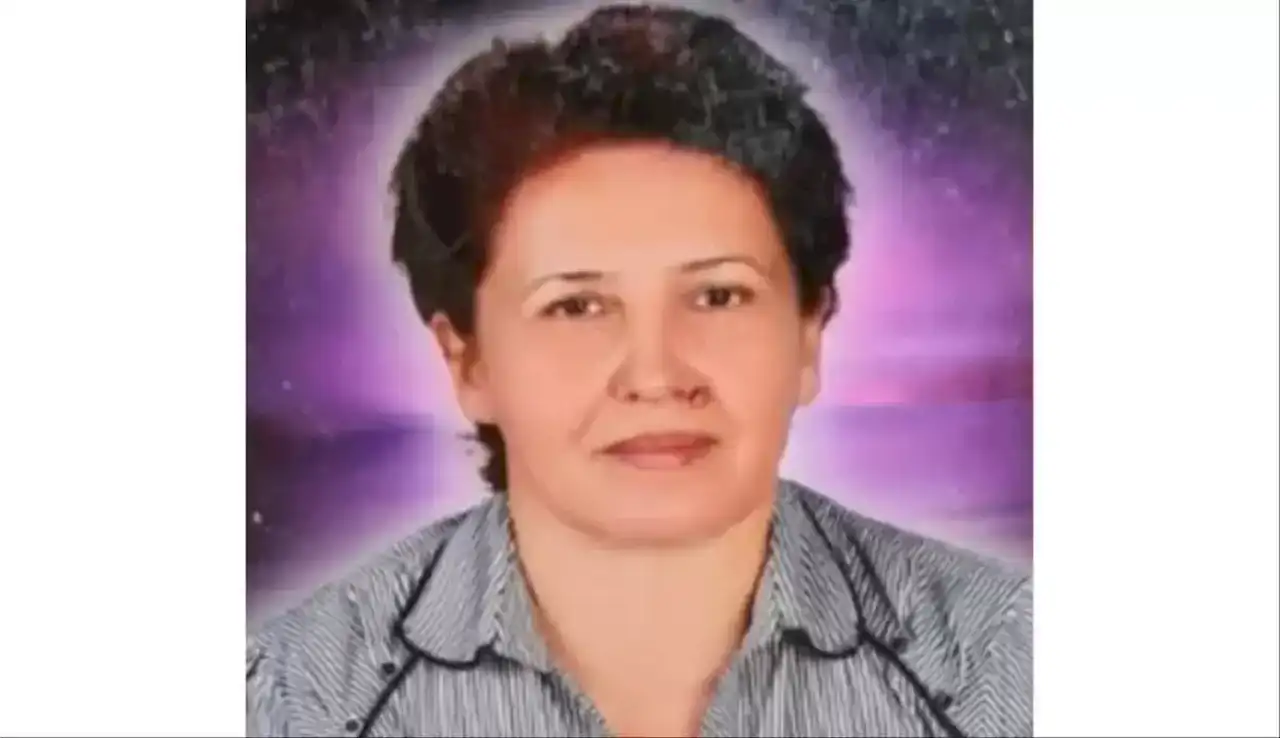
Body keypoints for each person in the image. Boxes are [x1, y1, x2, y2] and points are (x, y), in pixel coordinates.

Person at [247, 5, 1032, 737]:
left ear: (808, 334)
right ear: (469, 361)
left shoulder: (1007, 667)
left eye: (718, 295)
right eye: (577, 306)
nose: (655, 375)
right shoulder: (297, 702)